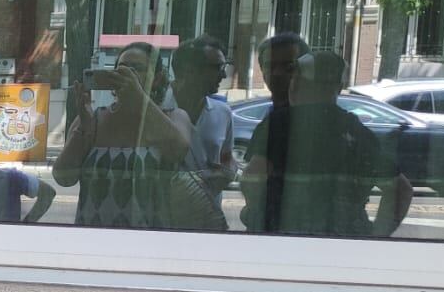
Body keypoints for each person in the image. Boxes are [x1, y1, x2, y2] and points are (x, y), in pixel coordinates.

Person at [241, 47, 411, 237]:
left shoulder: (278, 124)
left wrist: (254, 212)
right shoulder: (355, 130)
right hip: (344, 240)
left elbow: (253, 177)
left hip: (284, 237)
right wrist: (376, 236)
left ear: (298, 84)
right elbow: (400, 190)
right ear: (338, 87)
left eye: (295, 78)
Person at [52, 41, 195, 228]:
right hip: (94, 239)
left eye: (137, 69)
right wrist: (84, 129)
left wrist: (138, 98)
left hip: (149, 240)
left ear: (158, 78)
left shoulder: (175, 117)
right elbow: (63, 178)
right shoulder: (92, 119)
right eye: (122, 68)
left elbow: (179, 150)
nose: (127, 74)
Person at [173, 37, 236, 193]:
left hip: (207, 211)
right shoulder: (155, 107)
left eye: (224, 67)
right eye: (217, 68)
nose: (223, 75)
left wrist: (228, 172)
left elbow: (227, 158)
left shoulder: (223, 113)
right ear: (189, 69)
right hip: (160, 212)